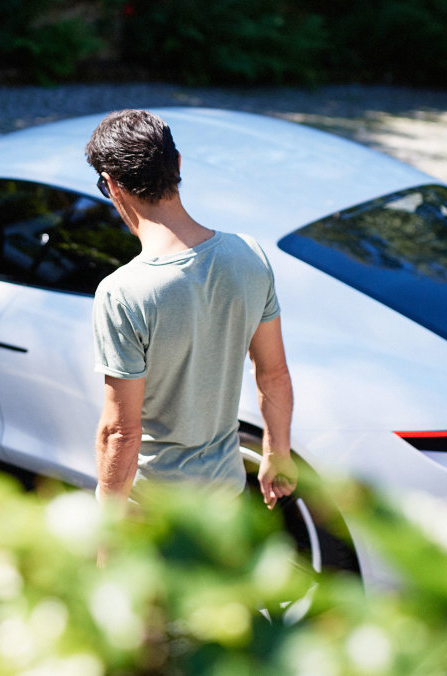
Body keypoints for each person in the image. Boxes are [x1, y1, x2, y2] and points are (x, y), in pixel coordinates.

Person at [86, 109, 296, 510]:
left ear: (112, 186)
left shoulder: (122, 292)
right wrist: (277, 453)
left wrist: (108, 527)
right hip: (225, 499)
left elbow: (120, 433)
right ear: (178, 164)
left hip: (155, 512)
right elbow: (274, 373)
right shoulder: (249, 255)